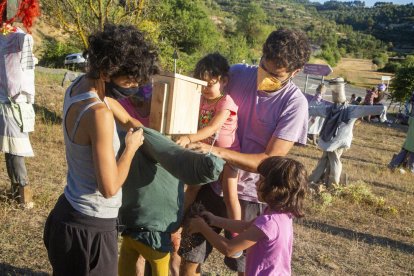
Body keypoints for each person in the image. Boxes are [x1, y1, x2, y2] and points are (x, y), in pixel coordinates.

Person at [180, 28, 310, 276]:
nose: (265, 77)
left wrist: (215, 150)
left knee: (246, 267)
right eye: (264, 67)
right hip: (211, 182)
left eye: (276, 75)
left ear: (295, 72)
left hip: (253, 194)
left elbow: (268, 162)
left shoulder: (295, 104)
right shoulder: (237, 74)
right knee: (190, 256)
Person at [43, 24, 158, 276]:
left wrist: (135, 125)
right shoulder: (99, 115)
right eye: (128, 81)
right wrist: (130, 149)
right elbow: (108, 188)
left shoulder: (78, 87)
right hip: (92, 227)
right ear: (107, 72)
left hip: (67, 214)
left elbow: (125, 116)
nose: (132, 87)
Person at [187, 157, 308, 276]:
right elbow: (246, 226)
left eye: (261, 180)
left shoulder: (269, 222)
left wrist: (203, 228)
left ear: (275, 189)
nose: (256, 182)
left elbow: (229, 249)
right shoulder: (280, 215)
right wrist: (214, 220)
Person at [176, 53, 241, 238]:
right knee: (192, 187)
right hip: (206, 153)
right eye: (201, 84)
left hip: (228, 155)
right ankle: (179, 219)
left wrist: (189, 138)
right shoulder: (202, 100)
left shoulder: (226, 102)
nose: (205, 89)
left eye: (210, 84)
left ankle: (235, 234)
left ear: (224, 81)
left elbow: (213, 128)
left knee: (229, 194)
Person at [309, 77, 386, 187]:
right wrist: (382, 109)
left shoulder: (334, 108)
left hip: (335, 140)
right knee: (331, 159)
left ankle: (327, 182)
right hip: (337, 140)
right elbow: (368, 109)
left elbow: (314, 108)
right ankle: (327, 182)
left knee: (330, 158)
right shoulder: (349, 109)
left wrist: (318, 93)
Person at [0, 1, 40, 209]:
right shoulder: (15, 36)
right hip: (10, 101)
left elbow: (25, 67)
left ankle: (22, 192)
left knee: (15, 150)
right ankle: (21, 192)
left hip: (12, 102)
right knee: (14, 150)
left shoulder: (18, 37)